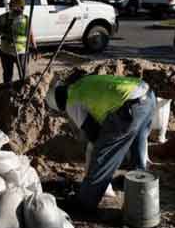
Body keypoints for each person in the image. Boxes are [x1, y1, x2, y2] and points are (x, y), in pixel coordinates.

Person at [46, 74, 156, 211]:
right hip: (147, 95)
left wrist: (97, 147)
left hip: (129, 107)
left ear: (59, 106)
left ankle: (85, 202)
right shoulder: (81, 83)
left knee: (103, 155)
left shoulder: (71, 102)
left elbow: (93, 133)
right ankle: (137, 179)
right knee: (137, 140)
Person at [0, 0, 38, 83]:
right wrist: (3, 28)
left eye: (22, 8)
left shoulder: (26, 19)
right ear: (11, 7)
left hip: (22, 52)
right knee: (7, 77)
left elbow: (30, 34)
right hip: (7, 52)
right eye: (18, 8)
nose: (20, 10)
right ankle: (7, 93)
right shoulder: (3, 18)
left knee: (24, 76)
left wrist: (34, 47)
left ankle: (23, 94)